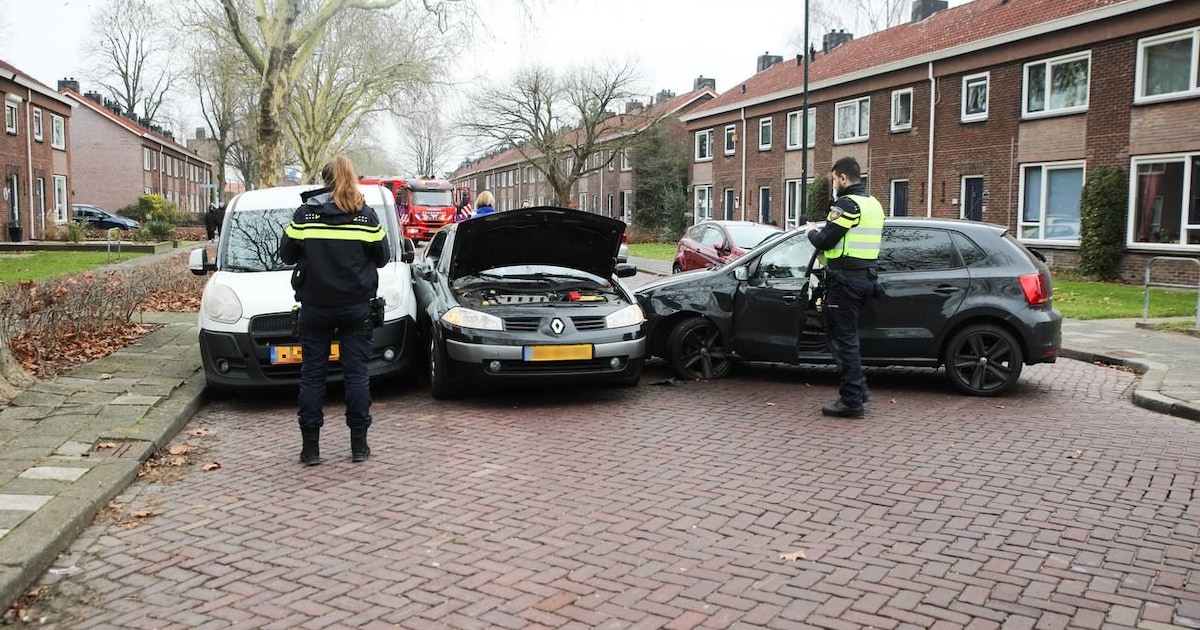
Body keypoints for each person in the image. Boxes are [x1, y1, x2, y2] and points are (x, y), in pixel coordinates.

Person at [279, 155, 390, 465]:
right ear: (352, 179)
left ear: (324, 179)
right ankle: (358, 446)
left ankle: (311, 449)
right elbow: (382, 258)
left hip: (315, 307)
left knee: (312, 376)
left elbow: (286, 254)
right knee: (356, 376)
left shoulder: (305, 216)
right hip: (356, 308)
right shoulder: (366, 217)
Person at [806, 156, 884, 419]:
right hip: (865, 279)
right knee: (848, 338)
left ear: (842, 177)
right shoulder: (874, 204)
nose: (834, 186)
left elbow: (827, 241)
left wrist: (810, 233)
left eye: (833, 181)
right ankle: (858, 389)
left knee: (844, 340)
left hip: (845, 282)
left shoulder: (847, 204)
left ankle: (851, 401)